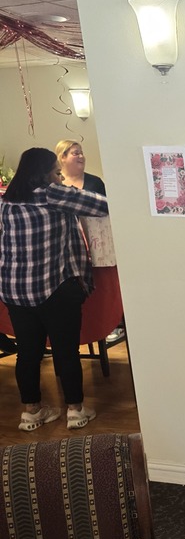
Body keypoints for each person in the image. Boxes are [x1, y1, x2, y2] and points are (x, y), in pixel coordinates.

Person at [0, 147, 108, 430]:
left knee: (28, 354)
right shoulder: (53, 194)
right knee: (65, 351)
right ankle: (75, 410)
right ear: (44, 174)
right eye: (56, 173)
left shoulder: (5, 202)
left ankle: (31, 412)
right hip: (53, 288)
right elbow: (102, 206)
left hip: (15, 291)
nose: (59, 178)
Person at [56, 140, 124, 344]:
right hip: (68, 250)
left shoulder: (95, 183)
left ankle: (110, 325)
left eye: (81, 153)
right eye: (75, 153)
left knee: (105, 287)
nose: (81, 156)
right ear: (63, 157)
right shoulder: (56, 186)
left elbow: (106, 211)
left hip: (97, 248)